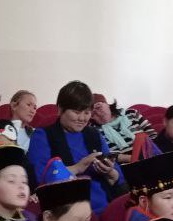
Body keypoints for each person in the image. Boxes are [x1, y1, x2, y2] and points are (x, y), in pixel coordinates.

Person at [26, 80, 121, 213]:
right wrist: (77, 168)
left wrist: (110, 172)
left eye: (87, 113)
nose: (82, 118)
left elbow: (118, 176)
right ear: (60, 110)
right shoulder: (43, 136)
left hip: (107, 204)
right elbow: (40, 179)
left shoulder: (94, 134)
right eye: (76, 112)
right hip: (68, 210)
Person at [93, 95, 152, 160]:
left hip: (150, 154)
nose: (98, 113)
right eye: (93, 114)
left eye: (98, 107)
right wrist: (136, 159)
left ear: (107, 104)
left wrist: (148, 154)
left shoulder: (132, 114)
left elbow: (152, 135)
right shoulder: (95, 131)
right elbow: (107, 156)